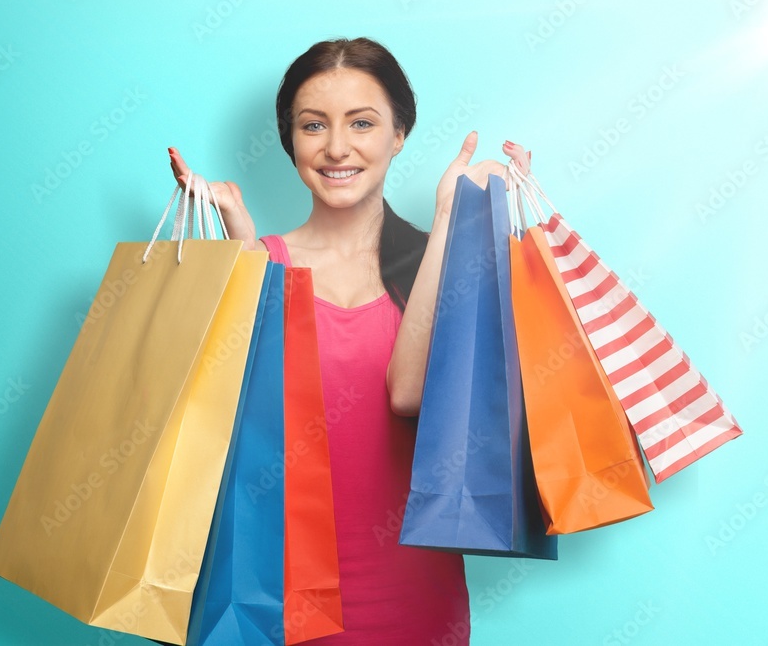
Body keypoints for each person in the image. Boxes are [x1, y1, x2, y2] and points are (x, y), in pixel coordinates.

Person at [168, 36, 530, 644]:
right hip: (267, 598)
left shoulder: (436, 261)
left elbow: (408, 395)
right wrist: (239, 260)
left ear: (399, 134)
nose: (337, 147)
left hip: (411, 596)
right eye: (314, 126)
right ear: (290, 141)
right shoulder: (260, 262)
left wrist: (451, 219)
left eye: (362, 123)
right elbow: (217, 429)